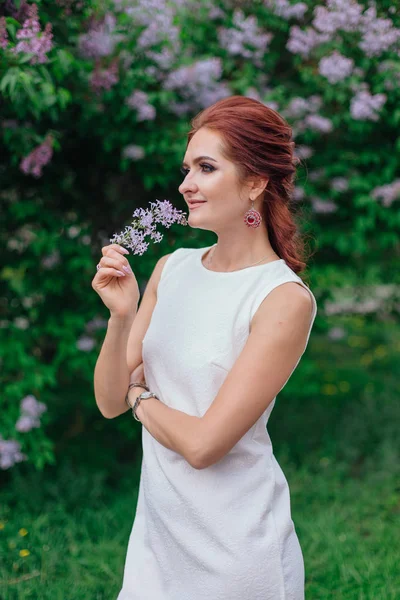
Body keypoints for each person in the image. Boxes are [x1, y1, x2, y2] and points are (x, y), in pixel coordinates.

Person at [92, 95, 318, 600]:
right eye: (186, 168)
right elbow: (108, 401)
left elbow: (203, 445)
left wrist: (140, 397)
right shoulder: (171, 270)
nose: (185, 184)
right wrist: (121, 317)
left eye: (206, 168)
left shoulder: (281, 299)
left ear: (256, 182)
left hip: (235, 554)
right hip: (156, 538)